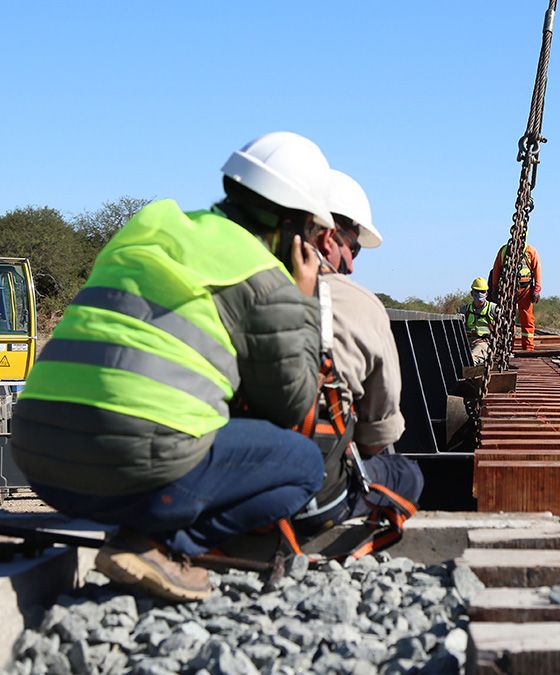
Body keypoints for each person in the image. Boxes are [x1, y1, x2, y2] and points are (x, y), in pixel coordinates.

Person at [11, 131, 330, 601]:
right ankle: (160, 545)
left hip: (40, 459)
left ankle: (144, 528)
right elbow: (290, 405)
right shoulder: (263, 275)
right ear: (296, 227)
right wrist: (303, 300)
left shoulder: (147, 231)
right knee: (303, 464)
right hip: (126, 466)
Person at [289, 169, 424, 535]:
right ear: (328, 237)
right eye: (354, 248)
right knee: (405, 475)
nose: (351, 265)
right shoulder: (358, 303)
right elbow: (376, 439)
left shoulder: (239, 285)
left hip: (223, 478)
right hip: (312, 495)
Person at [489, 241, 541, 351]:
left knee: (527, 319)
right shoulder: (504, 251)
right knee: (507, 319)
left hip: (525, 290)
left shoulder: (530, 251)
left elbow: (537, 269)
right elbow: (496, 269)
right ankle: (508, 346)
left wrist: (536, 289)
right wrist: (494, 288)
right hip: (507, 290)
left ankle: (528, 347)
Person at [459, 277, 498, 365]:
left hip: (485, 343)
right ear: (472, 293)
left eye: (482, 292)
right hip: (467, 341)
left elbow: (504, 329)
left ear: (486, 294)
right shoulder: (465, 310)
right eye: (476, 291)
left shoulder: (493, 309)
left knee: (471, 360)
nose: (479, 294)